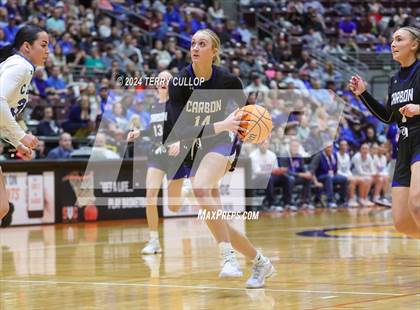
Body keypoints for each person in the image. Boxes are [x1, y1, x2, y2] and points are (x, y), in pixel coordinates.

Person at [166, 29, 274, 288]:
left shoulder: (229, 81)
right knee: (218, 219)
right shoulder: (179, 82)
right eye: (192, 43)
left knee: (200, 188)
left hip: (222, 145)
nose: (195, 47)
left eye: (201, 44)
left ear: (213, 51)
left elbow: (242, 119)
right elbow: (180, 130)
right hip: (194, 146)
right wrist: (221, 124)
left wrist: (245, 129)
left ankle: (228, 258)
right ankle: (261, 263)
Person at [349, 26, 420, 238]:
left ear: (414, 45)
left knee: (417, 203)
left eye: (399, 39)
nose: (393, 44)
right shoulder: (395, 80)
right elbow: (388, 117)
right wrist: (363, 94)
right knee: (402, 223)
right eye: (392, 40)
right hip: (404, 143)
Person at [127, 71, 190, 255]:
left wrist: (181, 142)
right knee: (150, 195)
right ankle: (154, 241)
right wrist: (141, 133)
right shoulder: (154, 106)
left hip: (175, 155)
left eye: (167, 80)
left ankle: (185, 190)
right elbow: (155, 130)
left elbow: (189, 128)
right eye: (161, 80)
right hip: (156, 153)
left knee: (174, 207)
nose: (164, 82)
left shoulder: (178, 105)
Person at [0, 25, 49, 226]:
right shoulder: (21, 66)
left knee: (2, 207)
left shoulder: (22, 68)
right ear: (27, 46)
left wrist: (16, 142)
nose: (47, 51)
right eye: (43, 45)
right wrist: (21, 135)